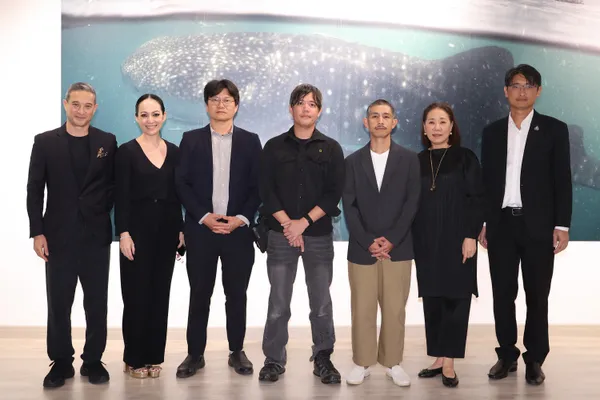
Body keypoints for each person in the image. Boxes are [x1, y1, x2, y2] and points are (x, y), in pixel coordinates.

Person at [478, 64, 572, 385]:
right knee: (503, 294)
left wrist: (562, 225)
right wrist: (484, 221)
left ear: (538, 91)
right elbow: (487, 181)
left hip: (539, 227)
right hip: (501, 224)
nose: (522, 91)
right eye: (516, 85)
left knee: (537, 295)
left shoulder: (554, 129)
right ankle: (506, 354)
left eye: (529, 85)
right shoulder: (492, 132)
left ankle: (535, 359)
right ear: (506, 91)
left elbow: (562, 180)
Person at [26, 82, 116, 388]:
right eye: (75, 104)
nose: (81, 111)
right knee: (59, 303)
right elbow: (35, 189)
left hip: (95, 235)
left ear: (95, 108)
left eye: (87, 106)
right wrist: (37, 232)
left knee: (96, 302)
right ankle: (61, 361)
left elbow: (113, 186)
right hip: (57, 236)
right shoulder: (45, 142)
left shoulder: (107, 141)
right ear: (66, 104)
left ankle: (93, 360)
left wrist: (100, 211)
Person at [174, 79, 262, 378]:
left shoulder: (251, 141)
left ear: (236, 106)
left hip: (238, 232)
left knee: (236, 294)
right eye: (215, 99)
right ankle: (194, 354)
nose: (220, 104)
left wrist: (241, 218)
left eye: (227, 100)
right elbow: (181, 183)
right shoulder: (190, 140)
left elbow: (258, 186)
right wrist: (203, 216)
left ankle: (237, 351)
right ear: (206, 105)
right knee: (200, 294)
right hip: (201, 231)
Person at [258, 83, 345, 384]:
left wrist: (303, 223)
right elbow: (266, 191)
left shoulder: (331, 148)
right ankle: (273, 360)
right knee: (278, 304)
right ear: (290, 109)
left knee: (320, 304)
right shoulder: (273, 147)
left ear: (319, 111)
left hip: (318, 236)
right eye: (300, 103)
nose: (306, 108)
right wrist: (289, 225)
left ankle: (323, 357)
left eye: (312, 104)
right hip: (280, 235)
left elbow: (333, 194)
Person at [342, 99, 420, 387]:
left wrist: (392, 240)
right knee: (362, 308)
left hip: (398, 248)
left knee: (394, 309)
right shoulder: (352, 162)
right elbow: (349, 206)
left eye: (386, 116)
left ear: (394, 122)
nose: (380, 121)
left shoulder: (410, 160)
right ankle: (361, 363)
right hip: (362, 248)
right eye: (374, 116)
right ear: (366, 122)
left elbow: (412, 203)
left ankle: (393, 363)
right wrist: (368, 241)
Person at [412, 102, 484, 388]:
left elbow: (477, 198)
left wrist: (470, 235)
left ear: (452, 126)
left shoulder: (466, 157)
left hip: (458, 239)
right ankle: (439, 357)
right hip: (426, 239)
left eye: (443, 121)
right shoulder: (416, 160)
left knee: (456, 298)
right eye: (431, 122)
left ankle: (450, 361)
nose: (437, 127)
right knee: (432, 298)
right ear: (424, 128)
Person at [115, 94, 184, 379]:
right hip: (136, 234)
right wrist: (123, 233)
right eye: (144, 115)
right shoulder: (126, 152)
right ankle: (133, 359)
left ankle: (154, 356)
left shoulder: (175, 152)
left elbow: (178, 196)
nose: (150, 120)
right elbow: (120, 197)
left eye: (155, 114)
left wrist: (181, 229)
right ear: (136, 118)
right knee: (136, 296)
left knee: (159, 296)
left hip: (167, 233)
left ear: (164, 116)